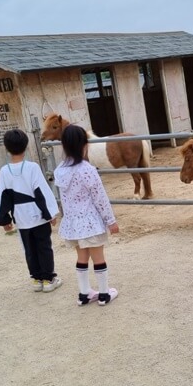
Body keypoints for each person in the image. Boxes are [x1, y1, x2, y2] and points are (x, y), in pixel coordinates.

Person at [54, 124, 119, 306]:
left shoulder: (60, 171)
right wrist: (111, 221)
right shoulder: (87, 169)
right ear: (84, 145)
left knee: (82, 257)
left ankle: (84, 294)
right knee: (98, 257)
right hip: (90, 222)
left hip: (73, 223)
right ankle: (104, 294)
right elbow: (100, 198)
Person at [0, 129, 62, 293]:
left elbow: (3, 196)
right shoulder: (32, 167)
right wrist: (50, 213)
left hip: (20, 215)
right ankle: (48, 279)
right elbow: (42, 191)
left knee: (29, 248)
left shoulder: (4, 171)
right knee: (44, 246)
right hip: (37, 214)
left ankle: (36, 279)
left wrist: (4, 219)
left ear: (7, 148)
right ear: (26, 146)